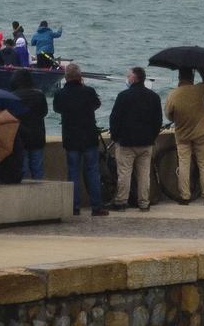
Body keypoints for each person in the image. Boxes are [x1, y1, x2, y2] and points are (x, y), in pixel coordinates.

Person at [52, 62, 106, 216]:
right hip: (88, 137)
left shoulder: (60, 94)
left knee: (73, 173)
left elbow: (57, 108)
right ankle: (96, 206)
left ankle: (74, 207)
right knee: (93, 172)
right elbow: (96, 104)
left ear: (66, 77)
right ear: (80, 77)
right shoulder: (89, 91)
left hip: (71, 138)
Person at [108, 67, 163, 212]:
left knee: (124, 173)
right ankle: (144, 202)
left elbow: (114, 119)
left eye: (128, 76)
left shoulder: (123, 96)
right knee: (144, 174)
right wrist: (152, 136)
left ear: (134, 79)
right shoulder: (154, 97)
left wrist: (115, 137)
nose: (127, 78)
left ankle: (121, 201)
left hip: (126, 142)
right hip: (146, 143)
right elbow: (158, 121)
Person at [164, 67, 204, 206]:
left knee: (184, 163)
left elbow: (169, 115)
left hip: (182, 134)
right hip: (201, 132)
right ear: (192, 78)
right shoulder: (199, 90)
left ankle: (185, 197)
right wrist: (201, 69)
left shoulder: (173, 95)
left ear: (179, 78)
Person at [10, 69, 49, 181]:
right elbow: (44, 112)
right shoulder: (40, 95)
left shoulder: (13, 96)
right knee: (38, 171)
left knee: (24, 173)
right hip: (37, 138)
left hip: (21, 139)